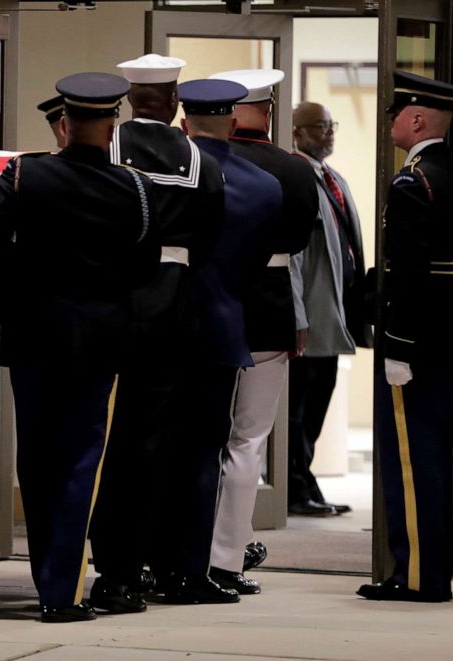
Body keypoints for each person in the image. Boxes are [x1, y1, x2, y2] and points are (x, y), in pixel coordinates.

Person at [0, 71, 161, 623]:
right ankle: (63, 591)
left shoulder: (26, 173)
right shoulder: (135, 186)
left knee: (36, 458)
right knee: (83, 461)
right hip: (101, 339)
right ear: (110, 126)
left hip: (33, 332)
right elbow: (145, 265)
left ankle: (50, 582)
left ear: (65, 124)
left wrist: (22, 285)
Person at [88, 54, 224, 614]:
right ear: (173, 103)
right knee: (158, 447)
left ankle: (108, 564)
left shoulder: (104, 151)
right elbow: (211, 239)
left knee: (106, 444)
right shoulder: (201, 161)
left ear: (127, 99)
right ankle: (149, 563)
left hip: (113, 305)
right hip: (176, 312)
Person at [358, 71, 453, 603]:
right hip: (452, 335)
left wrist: (399, 347)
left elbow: (407, 275)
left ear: (416, 120)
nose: (391, 121)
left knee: (411, 463)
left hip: (414, 344)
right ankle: (427, 570)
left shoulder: (414, 181)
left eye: (396, 113)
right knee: (433, 456)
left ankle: (416, 577)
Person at [168, 78, 284, 600]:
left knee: (147, 449)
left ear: (183, 122)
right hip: (219, 326)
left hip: (156, 327)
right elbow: (255, 265)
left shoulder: (163, 175)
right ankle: (194, 569)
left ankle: (142, 565)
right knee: (204, 453)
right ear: (234, 124)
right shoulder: (264, 185)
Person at [206, 68, 318, 591]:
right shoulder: (292, 169)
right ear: (267, 111)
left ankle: (190, 548)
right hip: (268, 309)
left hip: (208, 304)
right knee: (248, 440)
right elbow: (298, 243)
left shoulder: (202, 159)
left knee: (200, 435)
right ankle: (227, 557)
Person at [288, 101, 371, 516]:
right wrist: (298, 316)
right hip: (308, 317)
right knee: (299, 407)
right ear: (297, 133)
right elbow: (292, 256)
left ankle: (306, 481)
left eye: (331, 125)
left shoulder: (332, 177)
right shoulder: (295, 175)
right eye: (320, 127)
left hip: (336, 314)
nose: (329, 133)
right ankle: (296, 487)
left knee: (319, 401)